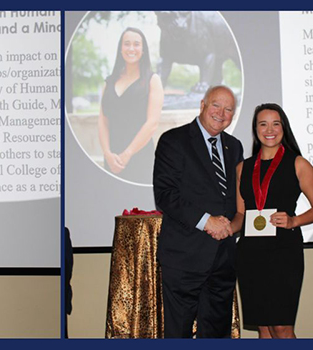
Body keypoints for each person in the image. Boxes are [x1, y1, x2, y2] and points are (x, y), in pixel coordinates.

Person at [230, 103, 313, 338]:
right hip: (250, 254)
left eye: (276, 123)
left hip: (284, 253)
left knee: (282, 329)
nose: (269, 129)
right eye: (263, 124)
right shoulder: (243, 168)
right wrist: (226, 228)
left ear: (283, 127)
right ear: (255, 129)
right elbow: (241, 214)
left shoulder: (298, 163)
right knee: (264, 329)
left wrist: (294, 221)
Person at [153, 85, 243, 338]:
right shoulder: (173, 140)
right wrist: (206, 222)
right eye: (216, 105)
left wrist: (233, 225)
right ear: (202, 104)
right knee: (178, 333)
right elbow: (166, 195)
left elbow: (236, 200)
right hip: (184, 258)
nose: (221, 113)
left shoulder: (234, 146)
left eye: (229, 109)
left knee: (217, 334)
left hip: (223, 259)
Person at [98, 27, 163, 184]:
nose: (131, 48)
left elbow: (152, 124)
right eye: (126, 44)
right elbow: (102, 120)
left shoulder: (152, 80)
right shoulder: (109, 82)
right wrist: (107, 154)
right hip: (112, 159)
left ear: (143, 50)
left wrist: (127, 154)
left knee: (140, 207)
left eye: (136, 44)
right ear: (120, 49)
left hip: (140, 157)